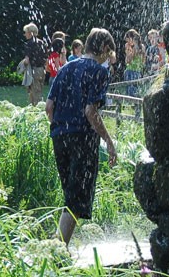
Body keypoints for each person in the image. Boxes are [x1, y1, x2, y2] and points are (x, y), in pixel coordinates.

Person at [45, 28, 118, 245]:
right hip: (83, 137)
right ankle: (58, 248)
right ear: (104, 48)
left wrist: (61, 127)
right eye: (109, 52)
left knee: (71, 192)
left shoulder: (66, 68)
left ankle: (56, 242)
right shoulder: (99, 71)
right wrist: (108, 140)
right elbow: (90, 112)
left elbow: (49, 107)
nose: (108, 58)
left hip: (59, 135)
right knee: (77, 197)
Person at [21, 22, 48, 106]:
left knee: (34, 95)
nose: (25, 34)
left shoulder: (29, 44)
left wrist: (22, 66)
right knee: (38, 91)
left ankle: (37, 112)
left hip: (33, 71)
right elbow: (46, 58)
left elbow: (27, 60)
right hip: (41, 70)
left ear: (30, 32)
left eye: (25, 32)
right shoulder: (42, 42)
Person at [123, 29, 146, 97]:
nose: (128, 42)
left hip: (136, 71)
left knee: (135, 90)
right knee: (130, 90)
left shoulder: (141, 47)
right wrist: (128, 52)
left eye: (128, 40)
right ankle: (132, 104)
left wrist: (132, 50)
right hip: (129, 70)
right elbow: (127, 61)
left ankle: (135, 103)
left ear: (132, 38)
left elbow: (143, 59)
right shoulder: (130, 47)